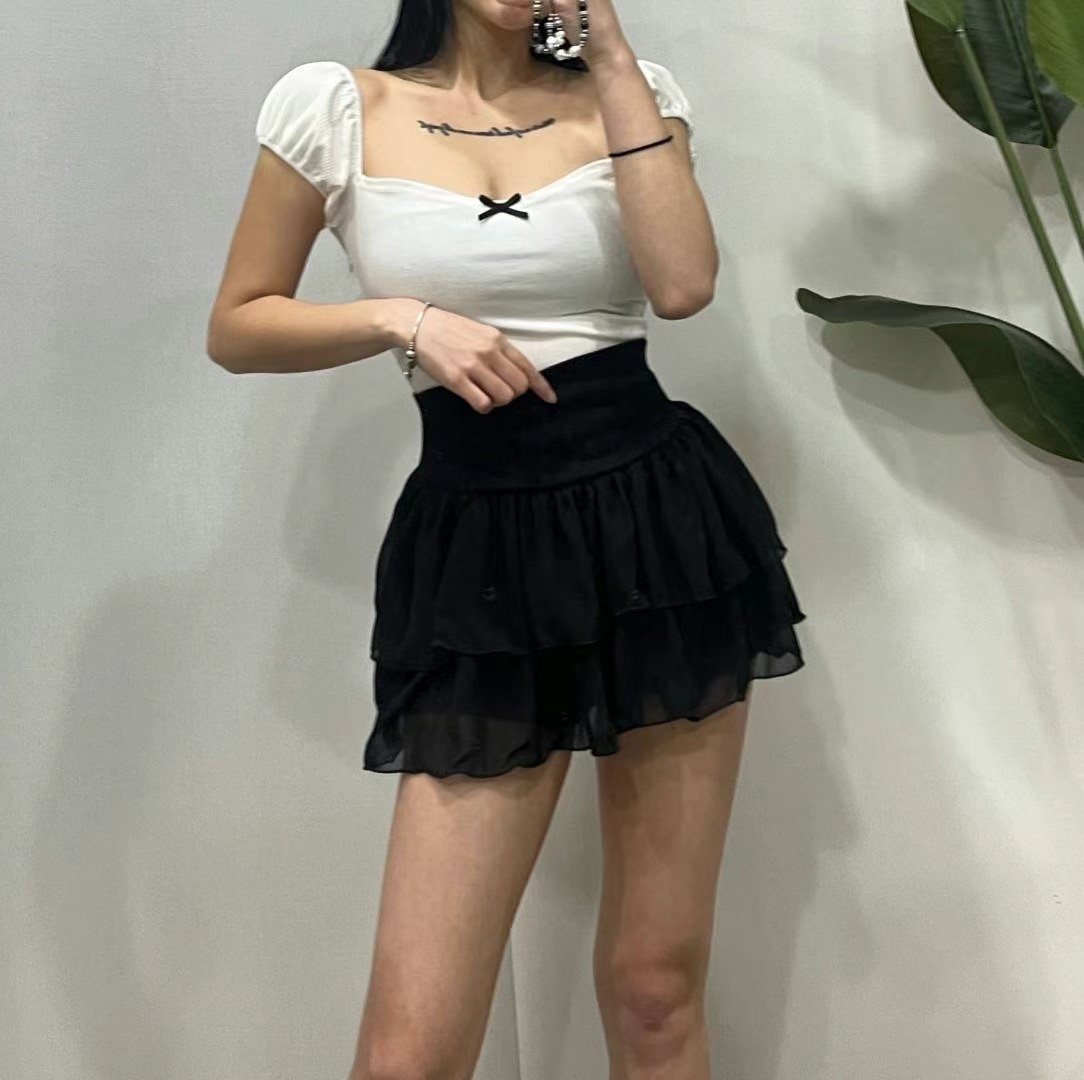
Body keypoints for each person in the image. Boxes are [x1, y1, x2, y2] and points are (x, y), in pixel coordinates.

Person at [207, 0, 807, 1075]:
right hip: (480, 549)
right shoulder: (333, 109)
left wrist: (609, 56)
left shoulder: (635, 95)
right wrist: (402, 320)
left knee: (656, 988)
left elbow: (682, 285)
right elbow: (240, 323)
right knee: (410, 1052)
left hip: (659, 533)